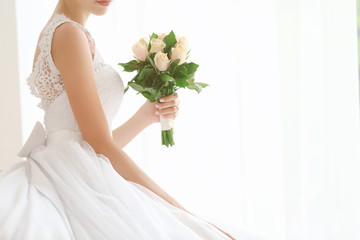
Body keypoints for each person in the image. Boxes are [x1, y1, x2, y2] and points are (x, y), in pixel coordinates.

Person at [0, 0, 270, 239]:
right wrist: (185, 214)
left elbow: (87, 145)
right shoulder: (68, 34)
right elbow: (98, 145)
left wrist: (146, 115)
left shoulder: (66, 31)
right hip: (75, 177)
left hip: (76, 167)